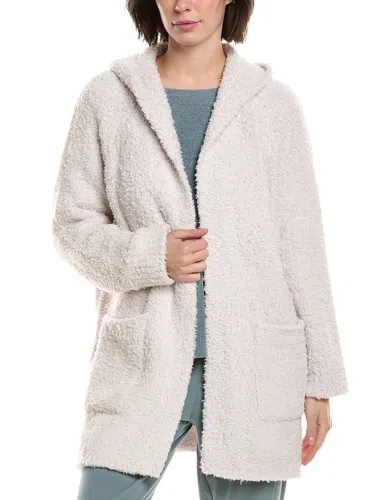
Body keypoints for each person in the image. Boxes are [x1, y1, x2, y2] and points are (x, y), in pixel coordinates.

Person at [51, 1, 349, 499]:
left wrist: (320, 379)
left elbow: (303, 249)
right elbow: (71, 226)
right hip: (143, 358)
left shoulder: (273, 105)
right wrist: (150, 256)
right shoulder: (108, 97)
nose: (182, 5)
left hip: (254, 366)